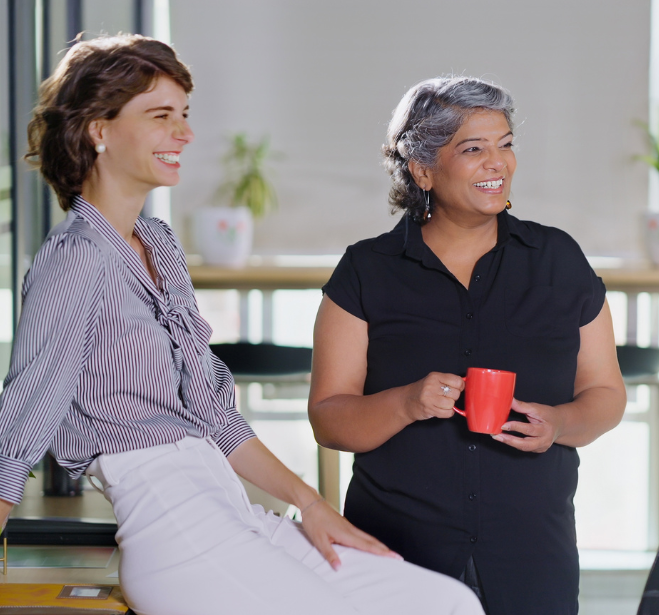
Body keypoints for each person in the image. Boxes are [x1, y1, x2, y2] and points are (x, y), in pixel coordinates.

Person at [0, 34, 482, 615]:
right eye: (160, 116)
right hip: (177, 536)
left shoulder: (159, 245)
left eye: (184, 115)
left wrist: (313, 506)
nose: (185, 133)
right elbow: (24, 418)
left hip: (235, 514)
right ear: (98, 130)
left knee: (444, 603)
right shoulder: (75, 256)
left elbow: (217, 419)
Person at [308, 76, 627, 615]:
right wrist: (406, 403)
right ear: (423, 169)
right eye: (474, 149)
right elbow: (329, 419)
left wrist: (559, 426)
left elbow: (605, 392)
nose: (497, 163)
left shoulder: (558, 259)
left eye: (505, 145)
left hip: (532, 551)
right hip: (399, 554)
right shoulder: (366, 270)